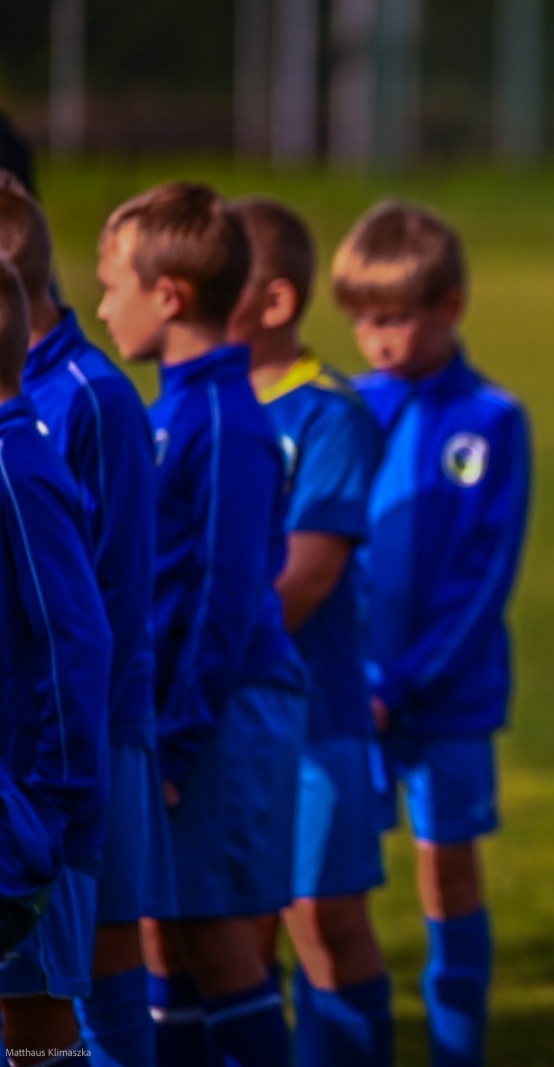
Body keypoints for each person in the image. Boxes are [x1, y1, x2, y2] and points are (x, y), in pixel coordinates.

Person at [96, 181, 307, 1067]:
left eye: (113, 286)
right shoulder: (169, 408)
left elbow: (224, 598)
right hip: (182, 717)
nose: (103, 306)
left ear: (169, 295)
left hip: (220, 715)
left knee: (220, 946)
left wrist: (175, 746)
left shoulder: (223, 420)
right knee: (168, 939)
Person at [336, 201, 531, 1067]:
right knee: (329, 886)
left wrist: (403, 682)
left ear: (450, 304)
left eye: (395, 318)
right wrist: (354, 678)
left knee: (444, 874)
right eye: (363, 320)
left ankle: (459, 1051)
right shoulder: (345, 409)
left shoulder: (493, 419)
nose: (376, 339)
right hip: (348, 697)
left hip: (445, 701)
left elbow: (485, 580)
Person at [0, 171, 169, 1067]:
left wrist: (77, 769)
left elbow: (97, 609)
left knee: (92, 976)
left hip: (82, 739)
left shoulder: (87, 398)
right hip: (37, 748)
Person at [228, 197, 392, 1067]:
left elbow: (308, 577)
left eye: (225, 278)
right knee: (233, 930)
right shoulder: (200, 408)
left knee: (324, 919)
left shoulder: (329, 415)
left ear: (276, 302)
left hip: (311, 717)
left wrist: (202, 653)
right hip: (219, 719)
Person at [0, 254, 112, 1067]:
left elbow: (76, 639)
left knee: (36, 1023)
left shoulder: (16, 466)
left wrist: (52, 807)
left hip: (29, 814)